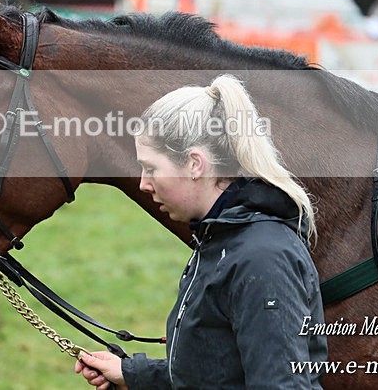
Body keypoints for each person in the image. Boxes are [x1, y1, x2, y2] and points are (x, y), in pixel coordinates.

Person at [75, 75, 327, 389]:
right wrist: (133, 375)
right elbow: (211, 372)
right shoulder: (221, 239)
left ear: (195, 164)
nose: (143, 183)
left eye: (151, 168)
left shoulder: (262, 259)